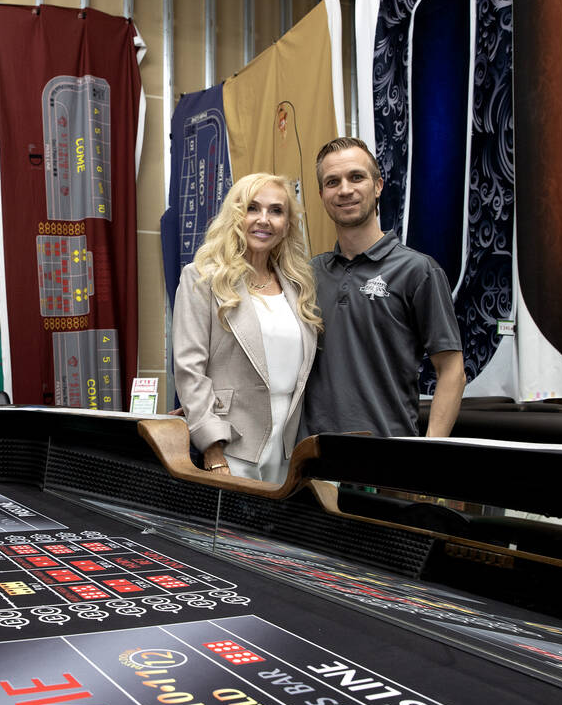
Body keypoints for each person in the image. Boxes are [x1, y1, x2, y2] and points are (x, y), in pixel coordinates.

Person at [303, 136, 465, 438]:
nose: (345, 190)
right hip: (312, 460)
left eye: (356, 177)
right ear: (322, 194)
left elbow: (452, 371)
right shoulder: (308, 274)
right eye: (332, 182)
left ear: (378, 185)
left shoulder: (417, 271)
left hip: (387, 462)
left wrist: (429, 452)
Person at [173, 172, 323, 483]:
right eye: (252, 208)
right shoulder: (201, 278)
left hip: (288, 445)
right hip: (231, 445)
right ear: (235, 216)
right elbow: (190, 369)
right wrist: (213, 451)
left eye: (276, 211)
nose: (264, 220)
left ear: (287, 225)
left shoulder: (299, 286)